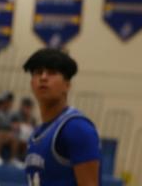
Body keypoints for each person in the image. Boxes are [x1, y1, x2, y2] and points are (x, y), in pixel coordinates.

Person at [22, 48, 101, 186]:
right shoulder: (36, 134)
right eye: (38, 72)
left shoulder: (76, 127)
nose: (43, 77)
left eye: (52, 72)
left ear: (67, 85)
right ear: (31, 84)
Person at [11, 96, 39, 165]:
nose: (28, 110)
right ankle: (14, 158)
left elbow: (35, 130)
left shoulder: (32, 119)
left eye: (30, 108)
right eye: (26, 107)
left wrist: (28, 118)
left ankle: (25, 160)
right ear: (22, 107)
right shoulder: (16, 115)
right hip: (16, 135)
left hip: (26, 138)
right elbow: (13, 127)